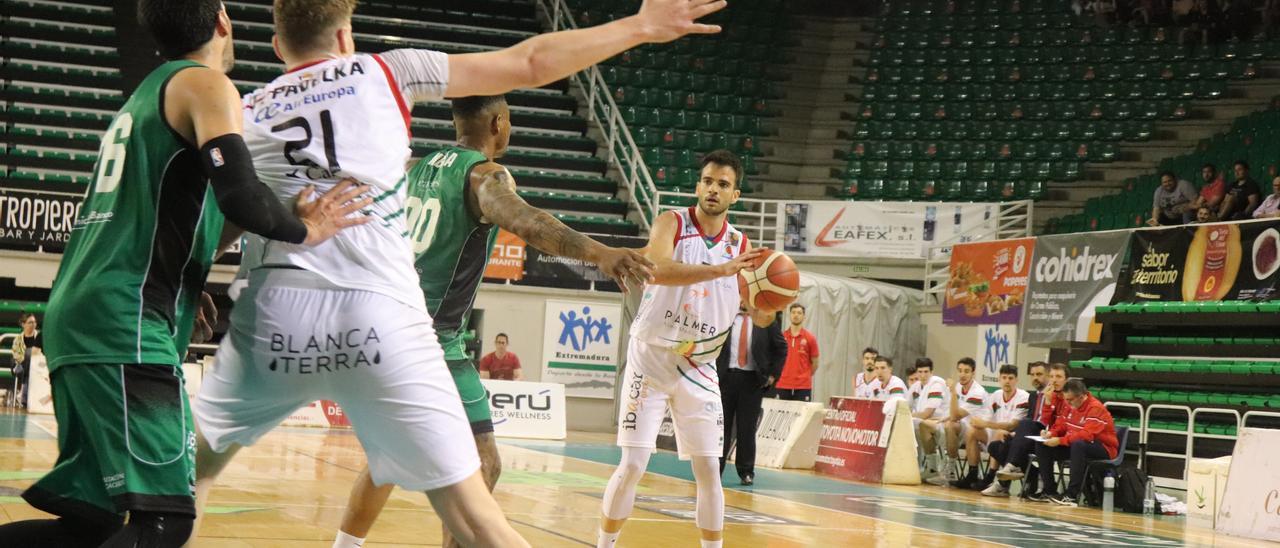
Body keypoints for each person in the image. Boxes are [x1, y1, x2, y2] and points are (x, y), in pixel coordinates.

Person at [190, 0, 726, 545]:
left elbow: (221, 214)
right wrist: (639, 26)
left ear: (277, 46)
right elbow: (531, 62)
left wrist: (189, 286)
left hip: (279, 315)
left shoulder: (247, 111)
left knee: (187, 480)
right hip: (393, 323)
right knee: (477, 496)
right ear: (347, 36)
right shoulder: (388, 74)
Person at [0, 2, 371, 545]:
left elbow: (179, 212)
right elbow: (241, 194)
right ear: (223, 20)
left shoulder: (147, 94)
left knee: (92, 523)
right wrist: (305, 231)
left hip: (87, 314)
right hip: (123, 321)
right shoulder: (205, 84)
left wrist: (188, 274)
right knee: (165, 521)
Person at [331, 95, 654, 548]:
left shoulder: (414, 170)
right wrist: (602, 253)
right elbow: (528, 222)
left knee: (389, 458)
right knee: (483, 464)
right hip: (430, 341)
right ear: (498, 122)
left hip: (388, 328)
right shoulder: (484, 174)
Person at [598, 150, 763, 548]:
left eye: (723, 184)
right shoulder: (672, 222)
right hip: (651, 357)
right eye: (707, 181)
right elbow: (655, 269)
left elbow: (753, 306)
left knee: (709, 468)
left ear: (735, 195)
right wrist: (719, 270)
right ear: (697, 186)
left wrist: (770, 297)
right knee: (634, 463)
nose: (713, 189)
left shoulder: (741, 243)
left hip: (701, 365)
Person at [716, 305, 786, 486]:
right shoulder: (725, 316)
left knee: (746, 428)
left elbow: (781, 347)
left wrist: (772, 375)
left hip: (752, 380)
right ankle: (715, 469)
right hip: (725, 378)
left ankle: (746, 471)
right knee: (720, 427)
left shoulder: (765, 318)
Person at [1033, 379, 1118, 507]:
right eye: (1066, 399)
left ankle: (1072, 495)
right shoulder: (1070, 405)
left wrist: (1060, 440)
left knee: (1079, 445)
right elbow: (1061, 424)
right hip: (1076, 446)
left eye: (1070, 400)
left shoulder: (1095, 408)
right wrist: (1051, 433)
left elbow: (1087, 435)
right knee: (1042, 444)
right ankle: (1049, 490)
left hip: (1102, 448)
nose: (1067, 402)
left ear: (1082, 396)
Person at [994, 362, 1070, 499]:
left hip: (1055, 437)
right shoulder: (1034, 396)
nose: (1054, 379)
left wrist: (1051, 432)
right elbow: (1043, 419)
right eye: (1033, 374)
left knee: (1026, 424)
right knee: (998, 446)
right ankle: (1029, 476)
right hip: (1038, 434)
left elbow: (1057, 422)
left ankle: (1005, 477)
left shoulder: (1067, 397)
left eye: (1040, 374)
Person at [956, 364, 1030, 492]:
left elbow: (1012, 425)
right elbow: (986, 417)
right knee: (972, 431)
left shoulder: (1023, 397)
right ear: (999, 379)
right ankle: (972, 474)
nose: (1007, 381)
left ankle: (991, 476)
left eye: (1011, 378)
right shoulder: (996, 395)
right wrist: (978, 422)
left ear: (1016, 380)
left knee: (1001, 432)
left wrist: (985, 424)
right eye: (1004, 377)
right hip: (995, 434)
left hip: (1012, 440)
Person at [929, 358, 987, 486]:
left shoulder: (978, 392)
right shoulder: (958, 387)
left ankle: (950, 469)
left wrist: (953, 391)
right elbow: (950, 411)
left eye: (966, 371)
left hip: (978, 432)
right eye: (960, 371)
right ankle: (931, 469)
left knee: (950, 425)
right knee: (926, 425)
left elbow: (955, 416)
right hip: (962, 427)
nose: (962, 374)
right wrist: (942, 418)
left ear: (973, 373)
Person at [910, 358, 950, 479]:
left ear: (931, 372)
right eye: (920, 372)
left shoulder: (936, 384)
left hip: (943, 424)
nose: (923, 375)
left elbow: (927, 413)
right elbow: (905, 406)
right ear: (916, 372)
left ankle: (933, 467)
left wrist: (910, 415)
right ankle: (914, 466)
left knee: (922, 425)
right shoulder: (916, 386)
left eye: (926, 372)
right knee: (908, 427)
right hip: (928, 423)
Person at [776, 303, 820, 401]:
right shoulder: (781, 337)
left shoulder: (810, 338)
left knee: (802, 416)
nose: (796, 315)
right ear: (789, 315)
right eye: (793, 312)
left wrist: (804, 375)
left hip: (802, 387)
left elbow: (815, 364)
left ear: (804, 316)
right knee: (783, 416)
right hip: (783, 384)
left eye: (799, 313)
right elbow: (776, 360)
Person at [9, 313, 41, 408]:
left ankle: (23, 390)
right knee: (25, 356)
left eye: (34, 322)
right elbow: (17, 355)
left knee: (28, 356)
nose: (33, 324)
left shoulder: (39, 336)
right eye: (30, 322)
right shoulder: (18, 339)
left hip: (37, 366)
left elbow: (42, 353)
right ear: (23, 324)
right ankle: (24, 390)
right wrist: (28, 356)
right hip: (20, 367)